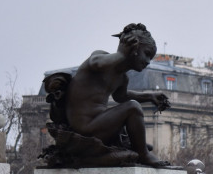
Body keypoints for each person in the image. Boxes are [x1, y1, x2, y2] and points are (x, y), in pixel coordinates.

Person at [64, 23, 170, 166]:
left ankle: (138, 147)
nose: (148, 62)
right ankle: (143, 155)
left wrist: (150, 96)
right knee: (133, 108)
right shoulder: (100, 57)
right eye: (147, 54)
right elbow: (96, 63)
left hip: (99, 124)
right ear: (134, 49)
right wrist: (121, 54)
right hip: (85, 127)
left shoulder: (122, 77)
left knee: (132, 115)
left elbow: (121, 97)